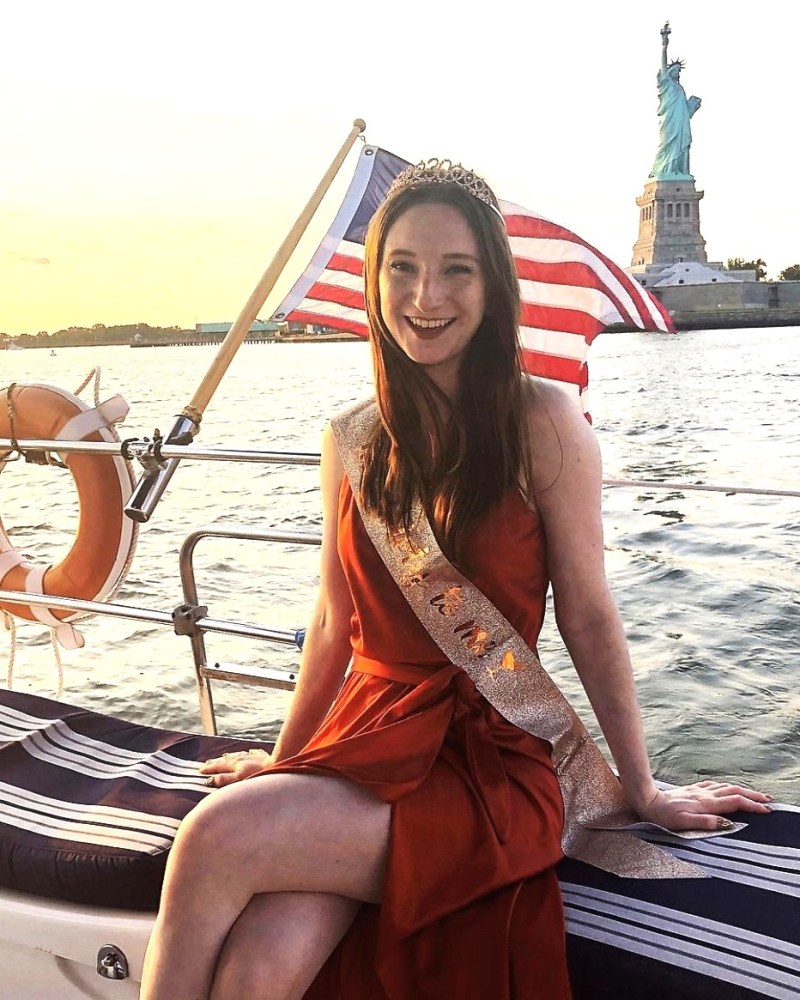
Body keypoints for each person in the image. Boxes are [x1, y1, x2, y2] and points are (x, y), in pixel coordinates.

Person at [140, 160, 771, 1000]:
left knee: (214, 839)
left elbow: (588, 616)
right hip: (361, 740)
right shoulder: (351, 439)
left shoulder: (545, 423)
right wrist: (285, 767)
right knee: (263, 966)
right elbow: (333, 622)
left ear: (494, 285)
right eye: (401, 266)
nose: (424, 295)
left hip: (483, 759)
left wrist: (641, 786)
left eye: (456, 270)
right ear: (374, 278)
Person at [650, 21, 702, 179]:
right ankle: (664, 170)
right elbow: (663, 64)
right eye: (675, 70)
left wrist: (692, 106)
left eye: (679, 71)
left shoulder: (680, 89)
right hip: (669, 122)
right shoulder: (666, 84)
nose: (677, 73)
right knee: (666, 145)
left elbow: (685, 110)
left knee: (682, 145)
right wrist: (664, 45)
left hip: (681, 122)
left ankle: (680, 171)